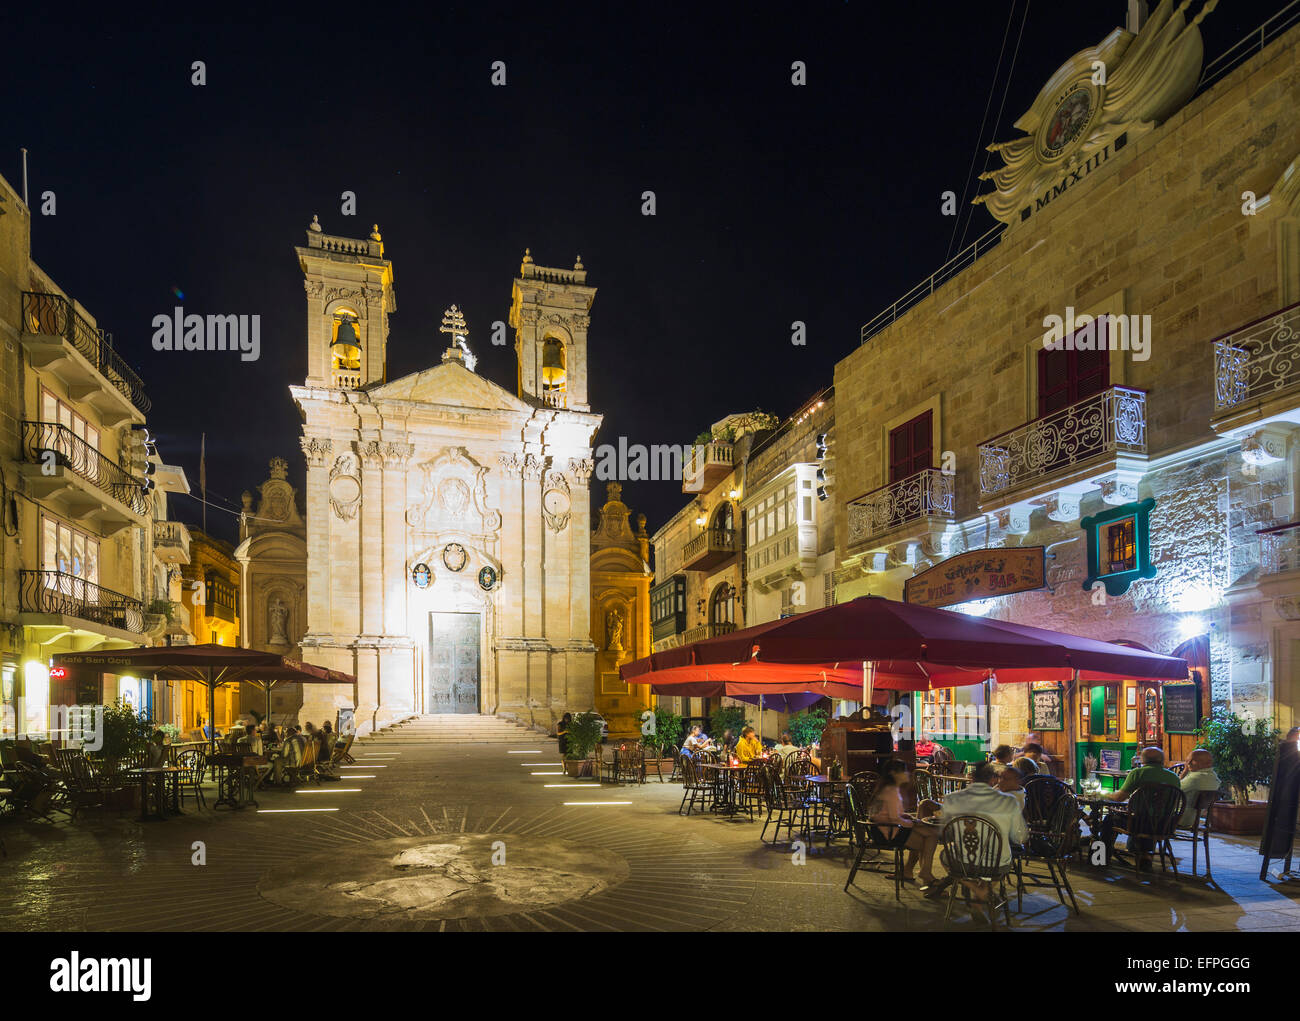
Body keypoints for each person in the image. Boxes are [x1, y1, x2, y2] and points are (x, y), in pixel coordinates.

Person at [938, 761, 1029, 903]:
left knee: (945, 855)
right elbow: (1020, 837)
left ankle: (976, 889)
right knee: (1003, 859)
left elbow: (944, 832)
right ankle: (982, 892)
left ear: (971, 777)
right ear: (993, 779)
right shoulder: (1009, 801)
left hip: (962, 862)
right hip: (997, 865)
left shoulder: (951, 798)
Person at [1102, 745, 1181, 870]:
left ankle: (1101, 858)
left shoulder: (1137, 773)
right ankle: (1145, 856)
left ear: (1142, 760)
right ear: (1162, 760)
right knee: (1148, 818)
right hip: (1165, 824)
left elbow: (1120, 798)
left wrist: (1106, 794)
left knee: (1110, 819)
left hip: (1138, 824)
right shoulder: (1174, 778)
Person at [868, 759, 940, 888]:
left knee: (929, 834)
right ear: (894, 773)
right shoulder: (891, 792)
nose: (908, 774)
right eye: (904, 771)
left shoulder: (889, 789)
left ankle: (917, 872)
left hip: (883, 829)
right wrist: (914, 823)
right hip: (887, 832)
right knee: (929, 837)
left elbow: (892, 815)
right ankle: (926, 873)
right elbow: (895, 819)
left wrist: (909, 819)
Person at [1176, 748, 1220, 829]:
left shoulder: (1195, 778)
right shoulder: (1214, 777)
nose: (1188, 763)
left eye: (1192, 760)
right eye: (1187, 760)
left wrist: (1184, 772)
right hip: (1194, 819)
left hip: (1180, 818)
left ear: (1207, 763)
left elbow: (1173, 790)